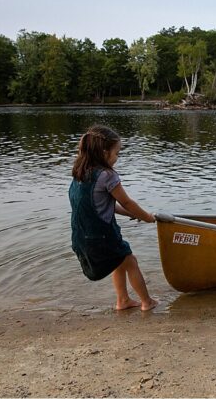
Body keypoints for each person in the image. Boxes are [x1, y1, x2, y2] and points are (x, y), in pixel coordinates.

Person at [69, 124, 158, 311]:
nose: (117, 158)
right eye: (116, 153)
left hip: (81, 237)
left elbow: (102, 205)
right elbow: (126, 202)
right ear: (103, 152)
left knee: (118, 261)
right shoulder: (107, 176)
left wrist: (133, 215)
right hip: (101, 237)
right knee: (130, 260)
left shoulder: (80, 172)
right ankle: (147, 302)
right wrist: (147, 217)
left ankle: (123, 301)